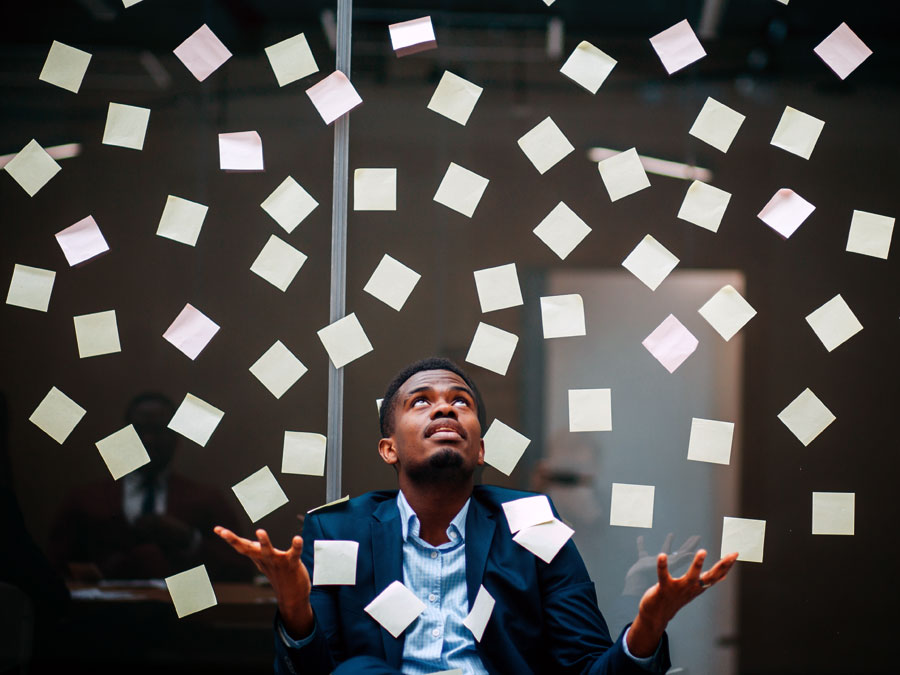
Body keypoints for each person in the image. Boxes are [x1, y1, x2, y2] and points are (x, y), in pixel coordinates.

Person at [216, 358, 737, 674]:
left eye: (459, 401)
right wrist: (294, 609)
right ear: (388, 449)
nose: (445, 408)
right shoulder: (339, 530)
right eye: (420, 402)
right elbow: (316, 674)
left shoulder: (532, 524)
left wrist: (647, 625)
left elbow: (587, 670)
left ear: (481, 448)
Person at [50, 392, 251, 581]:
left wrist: (189, 539)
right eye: (139, 430)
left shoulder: (206, 499)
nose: (148, 440)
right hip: (104, 614)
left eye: (158, 430)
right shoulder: (86, 499)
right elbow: (56, 566)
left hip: (181, 616)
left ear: (176, 437)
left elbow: (240, 569)